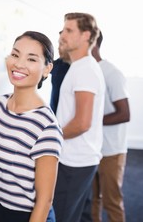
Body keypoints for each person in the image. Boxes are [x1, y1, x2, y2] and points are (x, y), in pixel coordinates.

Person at [0, 31, 63, 222]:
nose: (19, 64)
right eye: (15, 55)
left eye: (31, 59)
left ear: (47, 69)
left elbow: (45, 201)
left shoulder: (46, 126)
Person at [53, 12, 106, 222]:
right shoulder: (79, 67)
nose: (62, 35)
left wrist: (50, 137)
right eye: (63, 29)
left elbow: (82, 123)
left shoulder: (85, 69)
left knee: (62, 217)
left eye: (69, 30)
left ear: (86, 35)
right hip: (77, 159)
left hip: (74, 162)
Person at [91, 31, 130, 222]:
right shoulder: (83, 70)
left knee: (112, 202)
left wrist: (88, 121)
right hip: (91, 149)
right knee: (92, 202)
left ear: (92, 42)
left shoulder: (112, 72)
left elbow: (124, 113)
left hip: (112, 151)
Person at [50, 31, 71, 114]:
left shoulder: (80, 70)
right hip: (54, 116)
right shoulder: (58, 64)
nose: (58, 48)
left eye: (61, 44)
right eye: (59, 44)